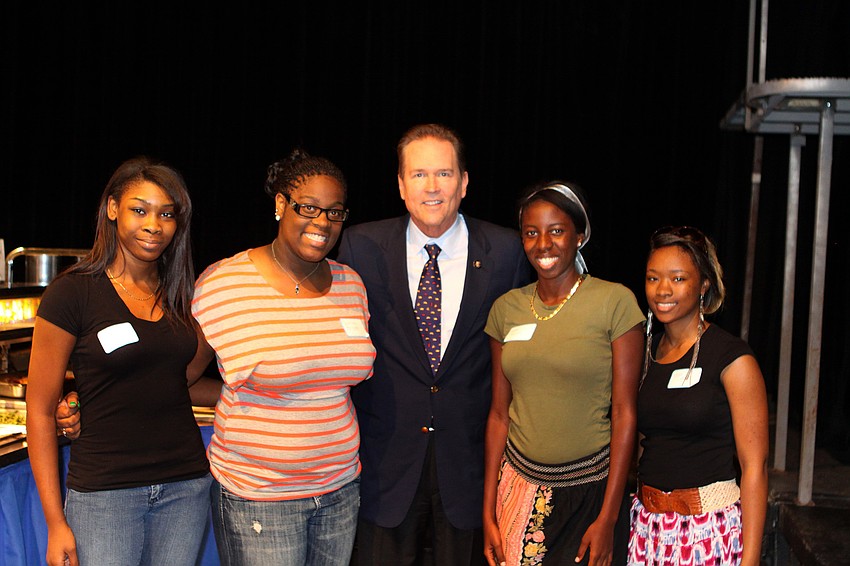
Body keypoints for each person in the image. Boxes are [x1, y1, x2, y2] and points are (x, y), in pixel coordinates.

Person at [336, 123, 532, 565]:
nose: (432, 187)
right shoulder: (359, 247)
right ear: (401, 184)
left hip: (469, 466)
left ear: (464, 182)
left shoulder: (506, 252)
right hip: (384, 465)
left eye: (443, 174)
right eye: (419, 174)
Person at [191, 148, 376, 566]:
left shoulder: (352, 285)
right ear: (280, 205)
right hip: (258, 496)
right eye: (308, 208)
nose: (322, 223)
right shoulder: (226, 283)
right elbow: (181, 377)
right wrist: (236, 399)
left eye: (334, 212)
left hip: (340, 490)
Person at [27, 157, 213, 566]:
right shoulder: (72, 293)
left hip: (185, 487)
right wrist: (55, 522)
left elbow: (176, 382)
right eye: (139, 210)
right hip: (104, 496)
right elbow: (40, 411)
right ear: (113, 208)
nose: (154, 225)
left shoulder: (181, 294)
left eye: (166, 214)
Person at [483, 182, 644, 566]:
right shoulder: (506, 309)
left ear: (580, 236)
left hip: (590, 495)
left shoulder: (614, 302)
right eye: (531, 233)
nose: (543, 244)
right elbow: (498, 415)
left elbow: (625, 413)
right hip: (518, 493)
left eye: (556, 231)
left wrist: (609, 516)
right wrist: (488, 511)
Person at [627, 226, 768, 566]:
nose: (663, 290)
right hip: (648, 527)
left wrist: (749, 561)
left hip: (709, 530)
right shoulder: (644, 353)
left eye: (678, 279)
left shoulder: (733, 358)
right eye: (653, 278)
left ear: (703, 285)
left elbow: (755, 468)